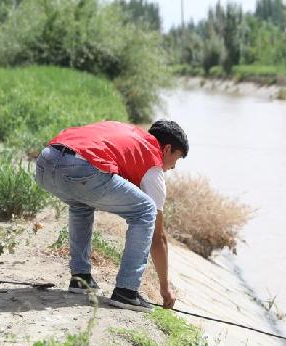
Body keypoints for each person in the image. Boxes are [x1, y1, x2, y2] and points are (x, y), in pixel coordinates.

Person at [35, 120, 188, 312]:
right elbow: (158, 238)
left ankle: (81, 278)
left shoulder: (128, 134)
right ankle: (126, 291)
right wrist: (165, 288)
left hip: (44, 163)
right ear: (166, 149)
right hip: (79, 167)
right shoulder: (152, 161)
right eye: (178, 158)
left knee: (81, 203)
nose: (173, 167)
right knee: (146, 210)